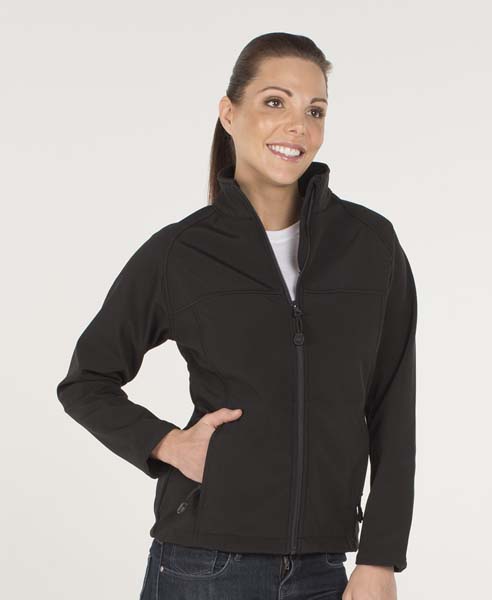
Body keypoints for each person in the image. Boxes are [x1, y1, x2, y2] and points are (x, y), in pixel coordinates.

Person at [57, 32, 417, 600]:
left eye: (315, 110)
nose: (297, 126)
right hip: (204, 565)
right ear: (229, 114)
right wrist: (166, 443)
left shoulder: (370, 245)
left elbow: (393, 404)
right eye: (275, 102)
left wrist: (380, 556)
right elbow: (87, 381)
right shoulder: (181, 253)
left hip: (326, 568)